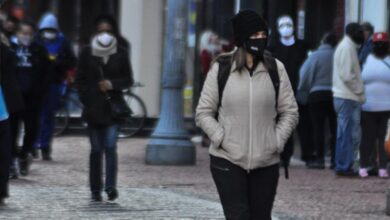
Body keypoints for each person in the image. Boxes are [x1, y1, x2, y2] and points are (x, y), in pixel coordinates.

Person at [195, 10, 298, 219]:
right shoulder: (222, 68)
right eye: (255, 35)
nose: (260, 39)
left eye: (263, 35)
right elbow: (203, 112)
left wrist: (276, 141)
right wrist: (220, 137)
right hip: (227, 159)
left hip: (266, 160)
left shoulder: (276, 69)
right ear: (242, 38)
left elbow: (290, 111)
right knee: (239, 216)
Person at [75, 16, 134, 202]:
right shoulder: (87, 52)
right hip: (93, 108)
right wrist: (87, 97)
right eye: (101, 31)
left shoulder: (122, 52)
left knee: (110, 146)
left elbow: (128, 79)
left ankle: (110, 186)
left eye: (108, 31)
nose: (105, 35)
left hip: (112, 108)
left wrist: (111, 84)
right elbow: (80, 79)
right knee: (96, 149)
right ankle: (95, 188)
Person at [268, 15, 312, 165]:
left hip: (299, 90)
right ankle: (283, 155)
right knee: (283, 124)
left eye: (288, 24)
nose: (286, 27)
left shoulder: (303, 46)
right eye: (282, 25)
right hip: (280, 92)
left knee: (303, 124)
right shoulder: (273, 48)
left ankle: (308, 154)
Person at [9, 20, 50, 177]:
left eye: (29, 33)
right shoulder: (10, 49)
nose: (26, 36)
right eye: (23, 33)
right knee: (13, 129)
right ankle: (12, 159)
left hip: (33, 97)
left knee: (32, 129)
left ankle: (24, 154)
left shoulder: (39, 50)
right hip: (14, 97)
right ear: (17, 33)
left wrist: (41, 92)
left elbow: (47, 73)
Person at [34, 13, 76, 160]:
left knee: (48, 116)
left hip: (54, 83)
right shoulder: (36, 40)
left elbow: (72, 61)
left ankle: (45, 146)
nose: (49, 32)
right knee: (35, 116)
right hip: (37, 84)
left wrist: (58, 63)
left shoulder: (63, 41)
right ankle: (33, 145)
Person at [297, 32, 338, 169]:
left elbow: (305, 74)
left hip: (316, 94)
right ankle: (334, 159)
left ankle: (319, 158)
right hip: (335, 93)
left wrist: (304, 89)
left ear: (323, 42)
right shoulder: (337, 55)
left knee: (317, 127)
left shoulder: (315, 56)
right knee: (334, 127)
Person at [332, 23, 365, 176]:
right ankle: (344, 165)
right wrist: (359, 90)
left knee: (344, 133)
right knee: (346, 134)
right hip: (346, 96)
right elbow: (347, 75)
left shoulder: (347, 46)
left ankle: (343, 164)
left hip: (344, 96)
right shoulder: (347, 48)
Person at [359, 32, 390, 178]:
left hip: (386, 107)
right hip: (368, 106)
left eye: (382, 43)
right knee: (368, 138)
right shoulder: (365, 59)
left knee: (382, 139)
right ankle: (365, 165)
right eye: (377, 44)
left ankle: (382, 167)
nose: (380, 46)